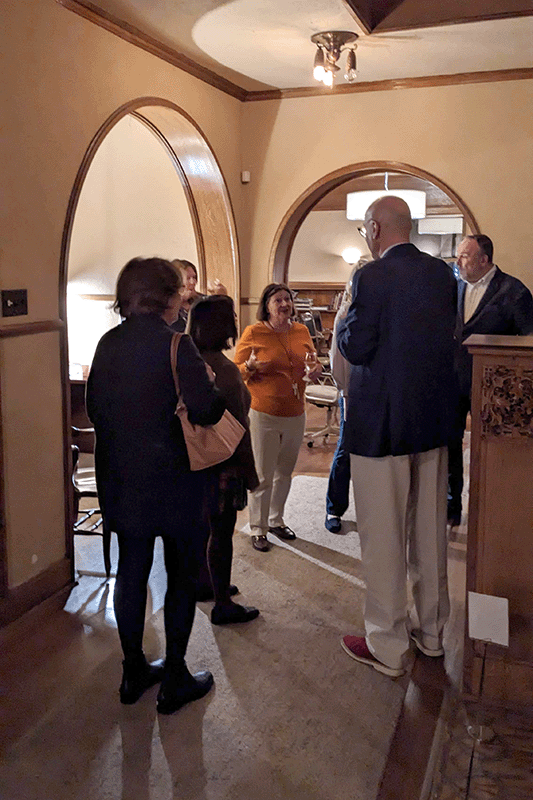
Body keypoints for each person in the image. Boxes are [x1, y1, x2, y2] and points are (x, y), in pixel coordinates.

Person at [86, 257, 226, 713]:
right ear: (168, 297)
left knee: (131, 572)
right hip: (177, 482)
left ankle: (132, 672)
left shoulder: (107, 344)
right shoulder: (177, 346)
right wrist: (210, 384)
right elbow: (206, 412)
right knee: (181, 576)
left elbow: (94, 411)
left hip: (122, 481)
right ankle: (177, 677)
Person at [336, 196, 457, 677]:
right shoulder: (443, 277)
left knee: (384, 535)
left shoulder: (371, 275)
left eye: (367, 229)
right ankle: (431, 633)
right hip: (431, 420)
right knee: (428, 532)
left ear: (376, 228)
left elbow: (358, 346)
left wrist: (344, 321)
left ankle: (387, 645)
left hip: (381, 423)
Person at [447, 234, 533, 526]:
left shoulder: (514, 291)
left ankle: (490, 508)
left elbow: (528, 339)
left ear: (484, 260)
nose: (458, 261)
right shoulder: (453, 286)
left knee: (489, 448)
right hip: (453, 381)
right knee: (451, 442)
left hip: (493, 386)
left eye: (465, 256)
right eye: (458, 255)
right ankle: (452, 504)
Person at [188, 295, 260, 624]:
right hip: (223, 465)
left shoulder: (187, 361)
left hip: (193, 462)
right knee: (222, 533)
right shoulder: (225, 370)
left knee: (203, 529)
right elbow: (239, 431)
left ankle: (206, 584)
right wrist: (251, 474)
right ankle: (222, 604)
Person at [234, 283, 322, 552]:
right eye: (277, 300)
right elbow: (236, 371)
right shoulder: (254, 332)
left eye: (287, 299)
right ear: (267, 306)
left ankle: (275, 520)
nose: (284, 304)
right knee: (263, 473)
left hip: (296, 412)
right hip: (264, 413)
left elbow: (312, 360)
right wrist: (248, 367)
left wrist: (316, 369)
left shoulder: (302, 330)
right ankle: (258, 528)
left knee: (285, 472)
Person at [325, 261, 367, 533]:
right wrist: (346, 392)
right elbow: (337, 360)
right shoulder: (345, 315)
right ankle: (334, 508)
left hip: (380, 393)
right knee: (346, 451)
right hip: (353, 392)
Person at [170, 259, 206, 332]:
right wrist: (179, 300)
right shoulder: (168, 304)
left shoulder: (202, 300)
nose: (193, 282)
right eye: (188, 278)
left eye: (194, 277)